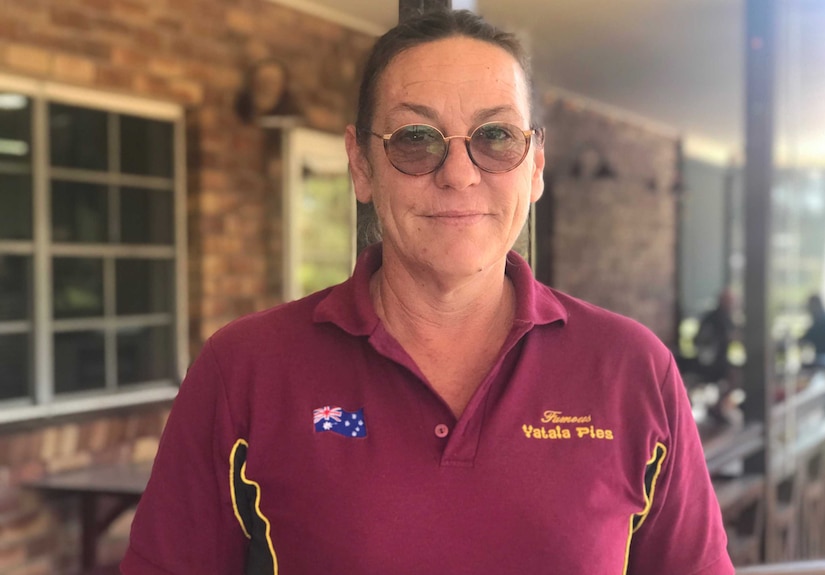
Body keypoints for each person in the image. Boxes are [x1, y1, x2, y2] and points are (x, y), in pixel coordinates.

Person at [121, 9, 733, 574]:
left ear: (536, 166)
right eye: (416, 138)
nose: (459, 174)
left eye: (495, 137)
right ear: (361, 165)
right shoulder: (245, 368)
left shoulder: (632, 370)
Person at [693, 288, 737, 384]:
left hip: (719, 363)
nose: (732, 305)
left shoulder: (725, 317)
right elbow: (699, 341)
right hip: (711, 366)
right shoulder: (712, 318)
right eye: (730, 301)